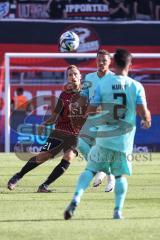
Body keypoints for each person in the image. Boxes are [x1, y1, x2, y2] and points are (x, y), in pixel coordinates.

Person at [64, 48, 151, 220]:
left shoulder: (104, 84)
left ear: (113, 63)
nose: (101, 63)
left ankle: (76, 198)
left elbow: (91, 108)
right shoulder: (136, 86)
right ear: (129, 64)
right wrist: (146, 120)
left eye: (105, 60)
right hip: (123, 139)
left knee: (89, 169)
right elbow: (144, 112)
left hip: (104, 134)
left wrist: (90, 111)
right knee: (120, 176)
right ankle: (118, 210)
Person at [8, 65, 88, 192]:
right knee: (42, 157)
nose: (73, 77)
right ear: (67, 78)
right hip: (59, 132)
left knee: (68, 157)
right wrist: (44, 124)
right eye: (70, 75)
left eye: (75, 74)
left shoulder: (86, 95)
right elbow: (56, 116)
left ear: (80, 76)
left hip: (75, 135)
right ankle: (18, 176)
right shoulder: (64, 95)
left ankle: (44, 186)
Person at [78, 49, 115, 192]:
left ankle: (111, 179)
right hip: (92, 117)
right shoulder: (89, 77)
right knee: (80, 143)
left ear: (109, 62)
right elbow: (84, 95)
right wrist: (78, 107)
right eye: (99, 60)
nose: (101, 63)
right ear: (96, 60)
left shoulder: (115, 78)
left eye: (104, 60)